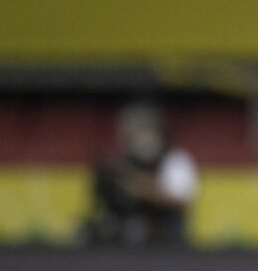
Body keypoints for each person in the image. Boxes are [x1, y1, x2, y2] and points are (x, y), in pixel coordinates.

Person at [79, 100, 198, 247]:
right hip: (124, 233)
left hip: (165, 240)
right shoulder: (119, 162)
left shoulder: (175, 159)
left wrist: (137, 183)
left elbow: (178, 198)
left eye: (138, 130)